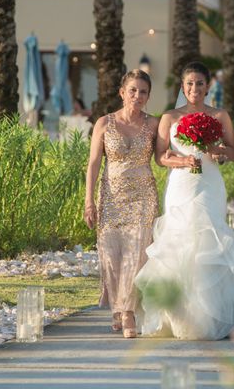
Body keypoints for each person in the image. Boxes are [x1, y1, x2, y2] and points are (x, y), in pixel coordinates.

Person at [135, 61, 234, 340]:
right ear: (182, 86)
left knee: (210, 239)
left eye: (200, 84)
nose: (194, 89)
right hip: (181, 185)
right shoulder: (169, 117)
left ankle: (211, 317)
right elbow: (160, 155)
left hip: (210, 184)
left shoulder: (220, 115)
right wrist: (182, 160)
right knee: (179, 241)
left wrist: (217, 151)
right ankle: (177, 318)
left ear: (208, 86)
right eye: (189, 83)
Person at [84, 69, 160, 339]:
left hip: (143, 197)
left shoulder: (154, 124)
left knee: (137, 255)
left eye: (143, 92)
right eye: (133, 90)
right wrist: (88, 201)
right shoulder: (104, 123)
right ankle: (118, 309)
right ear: (122, 92)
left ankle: (128, 314)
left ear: (148, 96)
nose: (137, 96)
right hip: (111, 196)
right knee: (112, 255)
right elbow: (93, 163)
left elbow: (163, 157)